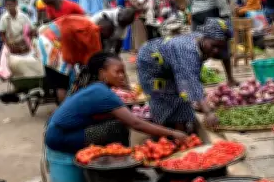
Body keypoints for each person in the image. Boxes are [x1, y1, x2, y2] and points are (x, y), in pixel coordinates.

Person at [46, 52, 187, 155]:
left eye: (123, 72)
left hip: (58, 131)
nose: (122, 76)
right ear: (102, 73)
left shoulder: (96, 88)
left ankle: (114, 160)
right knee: (119, 127)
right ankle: (122, 166)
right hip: (59, 137)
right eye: (117, 72)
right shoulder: (102, 93)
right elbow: (136, 124)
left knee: (116, 121)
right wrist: (173, 133)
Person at [137, 18, 230, 132]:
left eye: (220, 47)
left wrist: (230, 78)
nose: (216, 50)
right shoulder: (187, 50)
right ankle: (163, 134)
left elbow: (225, 55)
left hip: (171, 63)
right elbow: (191, 82)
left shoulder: (206, 41)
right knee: (162, 97)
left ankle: (181, 131)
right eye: (214, 46)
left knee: (182, 95)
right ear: (204, 38)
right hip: (150, 62)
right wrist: (208, 112)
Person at [35, 14, 115, 104]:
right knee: (62, 83)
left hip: (44, 41)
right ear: (105, 29)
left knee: (59, 81)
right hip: (52, 43)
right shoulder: (94, 31)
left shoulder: (85, 23)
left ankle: (64, 107)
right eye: (109, 34)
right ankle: (65, 110)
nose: (108, 38)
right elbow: (94, 60)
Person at [187, 0, 237, 85]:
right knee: (223, 43)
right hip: (211, 9)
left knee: (197, 46)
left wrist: (192, 9)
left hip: (196, 12)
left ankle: (195, 81)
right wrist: (224, 12)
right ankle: (230, 79)